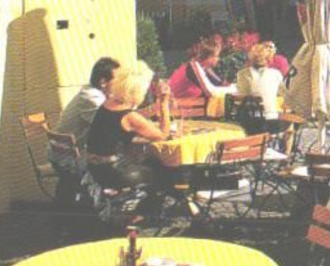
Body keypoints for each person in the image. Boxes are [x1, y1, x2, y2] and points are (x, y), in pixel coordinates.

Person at [85, 61, 172, 192]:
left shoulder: (108, 103)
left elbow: (132, 118)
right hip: (113, 171)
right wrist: (164, 104)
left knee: (151, 162)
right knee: (159, 168)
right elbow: (163, 135)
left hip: (95, 167)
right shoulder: (129, 117)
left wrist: (156, 106)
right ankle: (152, 206)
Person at [55, 56, 120, 155]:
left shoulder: (93, 92)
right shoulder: (91, 97)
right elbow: (114, 126)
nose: (121, 83)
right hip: (69, 159)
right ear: (103, 82)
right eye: (118, 80)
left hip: (71, 153)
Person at [236, 41, 288, 135]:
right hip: (271, 119)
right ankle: (286, 149)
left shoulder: (242, 74)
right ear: (268, 59)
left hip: (250, 120)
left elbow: (242, 94)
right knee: (290, 124)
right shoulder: (275, 74)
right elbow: (283, 93)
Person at [167, 40, 237, 104]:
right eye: (216, 56)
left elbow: (221, 84)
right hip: (179, 107)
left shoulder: (203, 67)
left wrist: (236, 87)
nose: (218, 59)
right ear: (208, 57)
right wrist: (235, 90)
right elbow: (210, 92)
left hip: (187, 105)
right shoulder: (194, 66)